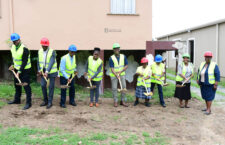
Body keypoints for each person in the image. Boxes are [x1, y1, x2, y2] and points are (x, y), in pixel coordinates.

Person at [8, 33, 32, 110]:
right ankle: (17, 100)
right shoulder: (13, 47)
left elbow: (24, 62)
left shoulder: (25, 49)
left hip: (25, 70)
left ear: (19, 40)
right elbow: (14, 58)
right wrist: (12, 65)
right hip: (16, 69)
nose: (14, 42)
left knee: (26, 85)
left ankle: (28, 103)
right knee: (17, 85)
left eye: (16, 41)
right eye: (13, 41)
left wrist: (19, 72)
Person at [37, 38, 58, 109]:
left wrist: (47, 71)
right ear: (41, 45)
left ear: (48, 45)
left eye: (46, 46)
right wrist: (39, 69)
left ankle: (50, 102)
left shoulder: (52, 52)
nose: (44, 47)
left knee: (51, 87)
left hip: (52, 72)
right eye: (43, 46)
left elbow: (51, 62)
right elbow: (38, 61)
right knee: (43, 85)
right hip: (43, 72)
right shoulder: (39, 51)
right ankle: (45, 100)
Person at [109, 43, 128, 107]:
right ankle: (115, 101)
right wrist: (116, 74)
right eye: (115, 49)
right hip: (114, 75)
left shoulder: (123, 56)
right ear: (113, 50)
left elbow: (126, 65)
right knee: (114, 88)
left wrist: (120, 72)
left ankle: (122, 101)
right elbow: (112, 68)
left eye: (117, 48)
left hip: (122, 74)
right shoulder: (111, 58)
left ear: (119, 49)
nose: (116, 50)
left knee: (123, 87)